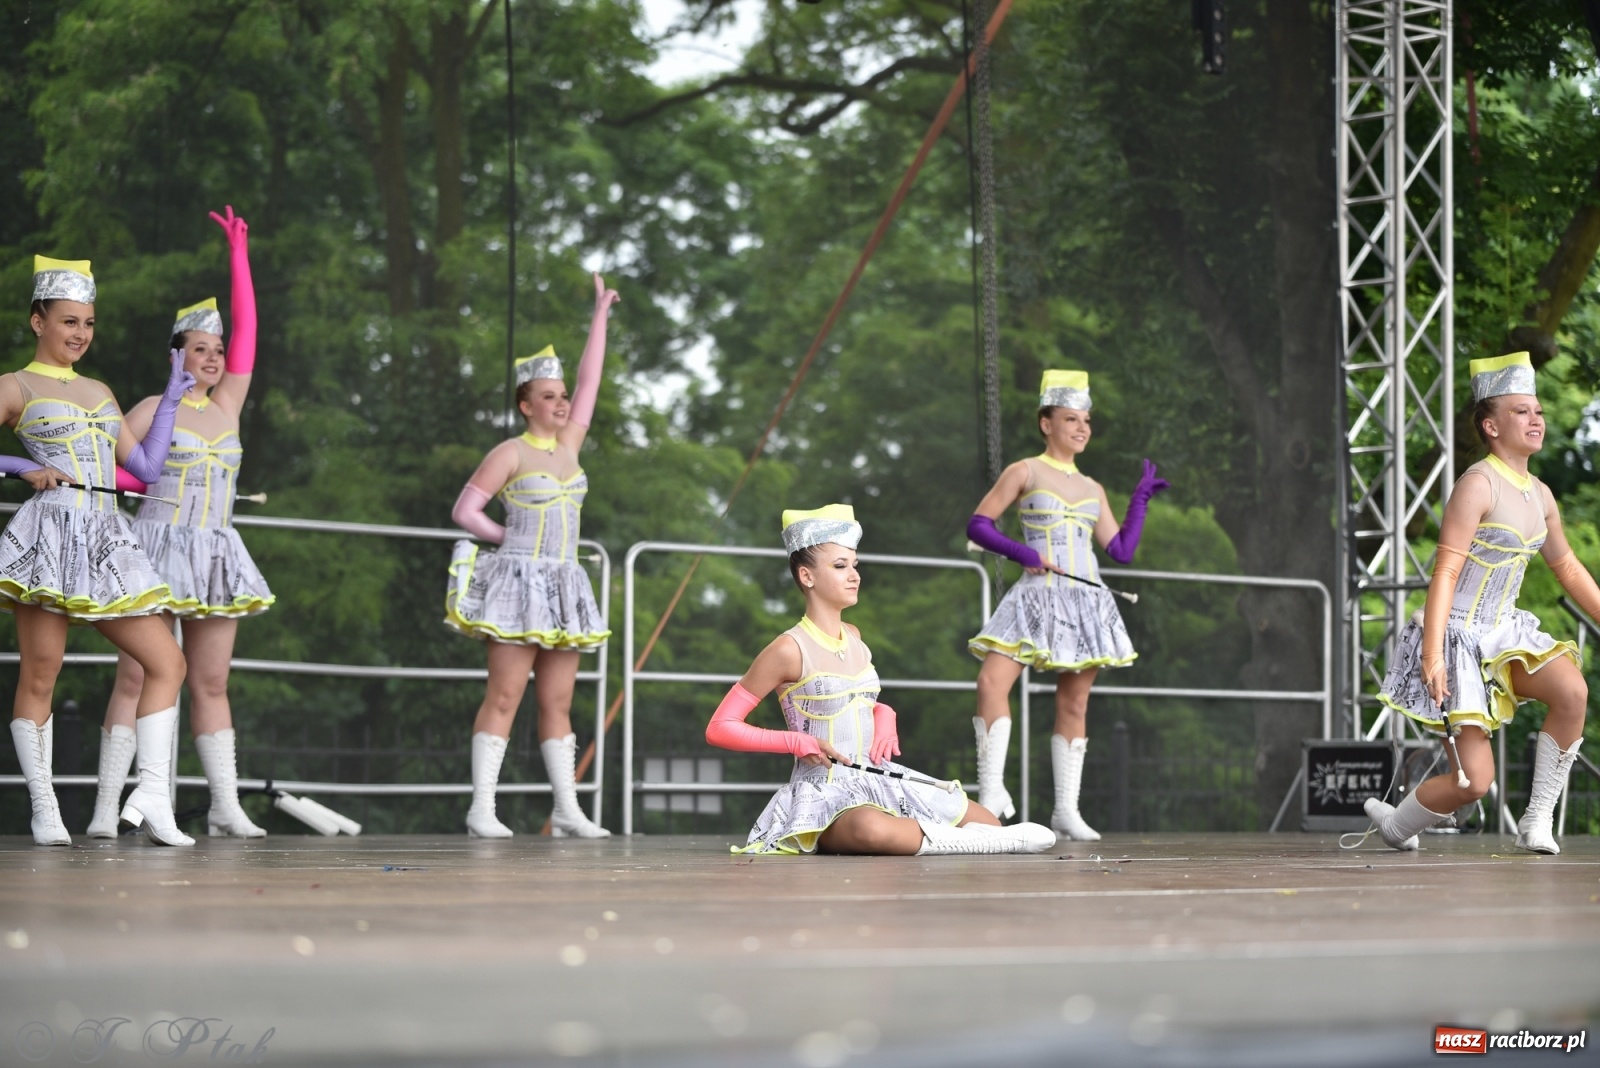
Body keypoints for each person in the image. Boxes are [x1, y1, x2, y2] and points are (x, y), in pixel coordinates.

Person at [705, 504, 1057, 855]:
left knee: (985, 819)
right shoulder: (788, 648)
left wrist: (884, 714)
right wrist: (796, 742)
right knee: (870, 829)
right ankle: (985, 844)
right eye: (840, 566)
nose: (854, 575)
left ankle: (981, 839)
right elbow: (721, 726)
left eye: (855, 566)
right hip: (825, 793)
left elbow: (858, 702)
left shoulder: (855, 637)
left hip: (879, 777)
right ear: (806, 576)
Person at [87, 207, 275, 840]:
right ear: (178, 354)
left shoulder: (228, 408)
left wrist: (238, 256)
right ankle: (107, 806)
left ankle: (224, 802)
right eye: (202, 349)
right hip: (156, 545)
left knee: (212, 679)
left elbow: (249, 331)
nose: (217, 357)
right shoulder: (147, 407)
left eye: (219, 350)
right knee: (138, 672)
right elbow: (111, 470)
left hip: (216, 552)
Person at [1, 256, 195, 846]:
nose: (80, 333)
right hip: (51, 536)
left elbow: (145, 468)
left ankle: (155, 797)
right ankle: (45, 808)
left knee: (168, 663)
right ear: (38, 322)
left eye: (88, 323)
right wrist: (20, 466)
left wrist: (170, 398)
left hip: (108, 537)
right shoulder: (15, 386)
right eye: (68, 321)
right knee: (42, 672)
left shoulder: (101, 390)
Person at [1369, 352, 1595, 854]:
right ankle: (1394, 827)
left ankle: (1537, 821)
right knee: (1473, 782)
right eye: (1521, 411)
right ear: (1491, 426)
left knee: (1571, 692)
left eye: (1537, 410)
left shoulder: (1542, 495)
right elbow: (1446, 571)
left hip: (1504, 634)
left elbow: (1570, 569)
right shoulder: (1477, 484)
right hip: (1455, 638)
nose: (1535, 419)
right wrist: (1431, 654)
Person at [445, 274, 618, 838]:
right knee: (505, 693)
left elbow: (593, 379)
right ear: (526, 405)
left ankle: (567, 809)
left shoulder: (570, 446)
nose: (563, 402)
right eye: (550, 396)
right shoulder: (510, 452)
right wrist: (507, 540)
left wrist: (599, 315)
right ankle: (482, 808)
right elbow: (465, 512)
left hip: (565, 583)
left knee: (559, 699)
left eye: (563, 395)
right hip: (518, 582)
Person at [965, 370, 1168, 840]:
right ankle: (992, 791)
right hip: (1036, 596)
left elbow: (1119, 551)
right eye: (1071, 419)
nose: (1081, 428)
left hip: (1087, 600)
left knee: (1074, 703)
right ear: (1046, 423)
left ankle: (1065, 810)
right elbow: (979, 525)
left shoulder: (1094, 487)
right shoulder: (1026, 471)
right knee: (991, 680)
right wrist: (1023, 552)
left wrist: (1138, 501)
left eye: (1087, 421)